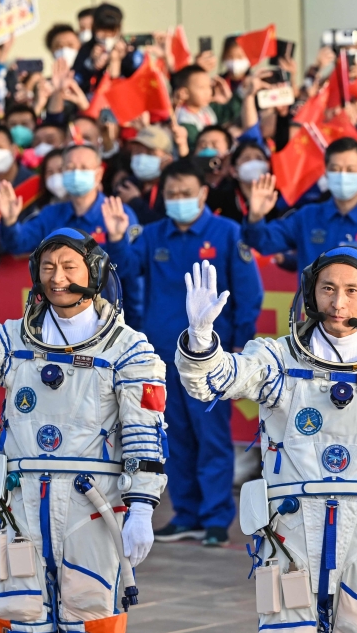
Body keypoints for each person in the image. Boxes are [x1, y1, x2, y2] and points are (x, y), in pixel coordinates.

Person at [174, 248, 357, 633]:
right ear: (310, 294)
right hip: (288, 531)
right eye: (328, 289)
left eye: (352, 291)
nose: (338, 303)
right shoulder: (277, 358)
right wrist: (200, 338)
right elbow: (214, 381)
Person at [0, 230, 167, 633]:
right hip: (23, 507)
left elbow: (145, 435)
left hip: (92, 509)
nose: (57, 277)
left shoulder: (128, 349)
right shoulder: (12, 339)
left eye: (69, 267)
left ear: (97, 273)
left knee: (90, 628)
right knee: (21, 626)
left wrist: (141, 507)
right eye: (48, 267)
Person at [104, 158, 263, 547]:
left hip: (208, 356)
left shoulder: (227, 233)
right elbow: (125, 270)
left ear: (203, 194)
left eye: (186, 194)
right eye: (172, 194)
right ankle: (185, 512)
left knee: (210, 435)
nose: (179, 200)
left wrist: (240, 340)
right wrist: (117, 239)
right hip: (160, 354)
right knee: (170, 434)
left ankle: (214, 517)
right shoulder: (153, 234)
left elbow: (249, 291)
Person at [241, 137, 357, 345]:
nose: (342, 175)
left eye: (350, 169)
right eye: (336, 169)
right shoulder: (308, 217)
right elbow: (263, 242)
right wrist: (256, 217)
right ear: (326, 173)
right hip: (313, 334)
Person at [0, 143, 145, 329]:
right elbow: (18, 243)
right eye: (70, 168)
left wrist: (116, 239)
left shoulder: (118, 213)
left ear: (98, 174)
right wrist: (10, 222)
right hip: (59, 319)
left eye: (83, 168)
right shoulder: (51, 214)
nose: (76, 173)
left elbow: (130, 271)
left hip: (109, 320)